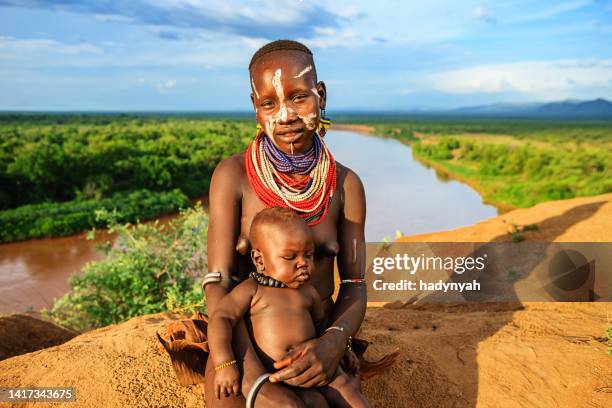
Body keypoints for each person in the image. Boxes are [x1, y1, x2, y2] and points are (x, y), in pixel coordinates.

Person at [203, 39, 368, 407]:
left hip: (319, 341)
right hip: (245, 341)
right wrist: (247, 373)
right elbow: (218, 283)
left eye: (298, 98)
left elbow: (355, 284)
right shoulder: (234, 177)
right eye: (269, 103)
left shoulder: (345, 185)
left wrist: (333, 343)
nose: (285, 115)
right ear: (255, 108)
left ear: (320, 95)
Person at [208, 206, 370, 407]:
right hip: (272, 375)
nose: (303, 263)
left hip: (315, 368)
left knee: (350, 393)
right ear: (259, 260)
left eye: (308, 255)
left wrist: (341, 348)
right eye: (290, 257)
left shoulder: (308, 292)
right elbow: (221, 319)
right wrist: (225, 363)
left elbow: (322, 327)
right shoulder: (251, 290)